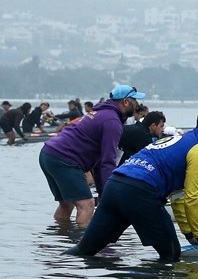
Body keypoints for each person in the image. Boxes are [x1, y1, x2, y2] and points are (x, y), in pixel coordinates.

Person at [65, 104, 198, 261]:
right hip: (139, 192)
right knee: (171, 254)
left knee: (85, 250)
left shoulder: (181, 139)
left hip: (115, 185)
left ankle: (54, 268)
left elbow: (179, 198)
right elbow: (192, 198)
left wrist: (191, 236)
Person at [40, 84, 146, 226]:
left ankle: (61, 239)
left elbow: (98, 161)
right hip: (64, 158)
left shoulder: (102, 113)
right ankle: (85, 245)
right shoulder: (112, 121)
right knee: (87, 205)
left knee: (67, 204)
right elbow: (107, 161)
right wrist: (110, 194)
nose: (137, 104)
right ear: (126, 102)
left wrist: (103, 192)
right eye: (135, 100)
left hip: (48, 153)